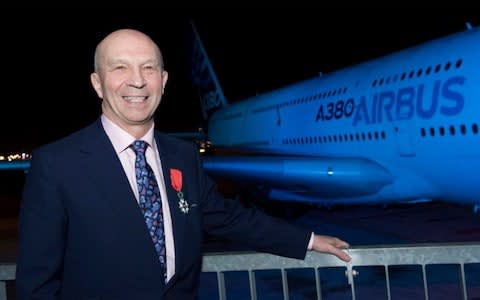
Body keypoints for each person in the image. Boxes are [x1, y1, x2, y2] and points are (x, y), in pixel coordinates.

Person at [15, 28, 351, 300]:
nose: (137, 80)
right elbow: (36, 285)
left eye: (148, 68)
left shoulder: (182, 156)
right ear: (97, 83)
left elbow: (227, 217)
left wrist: (307, 240)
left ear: (163, 81)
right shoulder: (57, 164)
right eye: (120, 68)